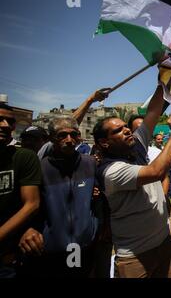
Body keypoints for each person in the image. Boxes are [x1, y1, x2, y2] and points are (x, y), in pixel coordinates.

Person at [94, 86, 171, 278]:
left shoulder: (136, 145)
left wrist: (164, 80)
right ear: (104, 143)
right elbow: (157, 171)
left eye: (126, 126)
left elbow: (154, 111)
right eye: (118, 130)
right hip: (135, 257)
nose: (126, 130)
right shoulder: (111, 170)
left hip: (164, 243)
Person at [19, 117, 102, 278]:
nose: (69, 140)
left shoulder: (90, 163)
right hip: (51, 249)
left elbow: (98, 199)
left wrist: (95, 227)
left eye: (73, 134)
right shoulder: (40, 168)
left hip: (81, 246)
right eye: (62, 135)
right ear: (51, 138)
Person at [0, 103, 41, 278]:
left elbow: (31, 204)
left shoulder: (23, 157)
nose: (5, 125)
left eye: (10, 121)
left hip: (6, 260)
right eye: (0, 120)